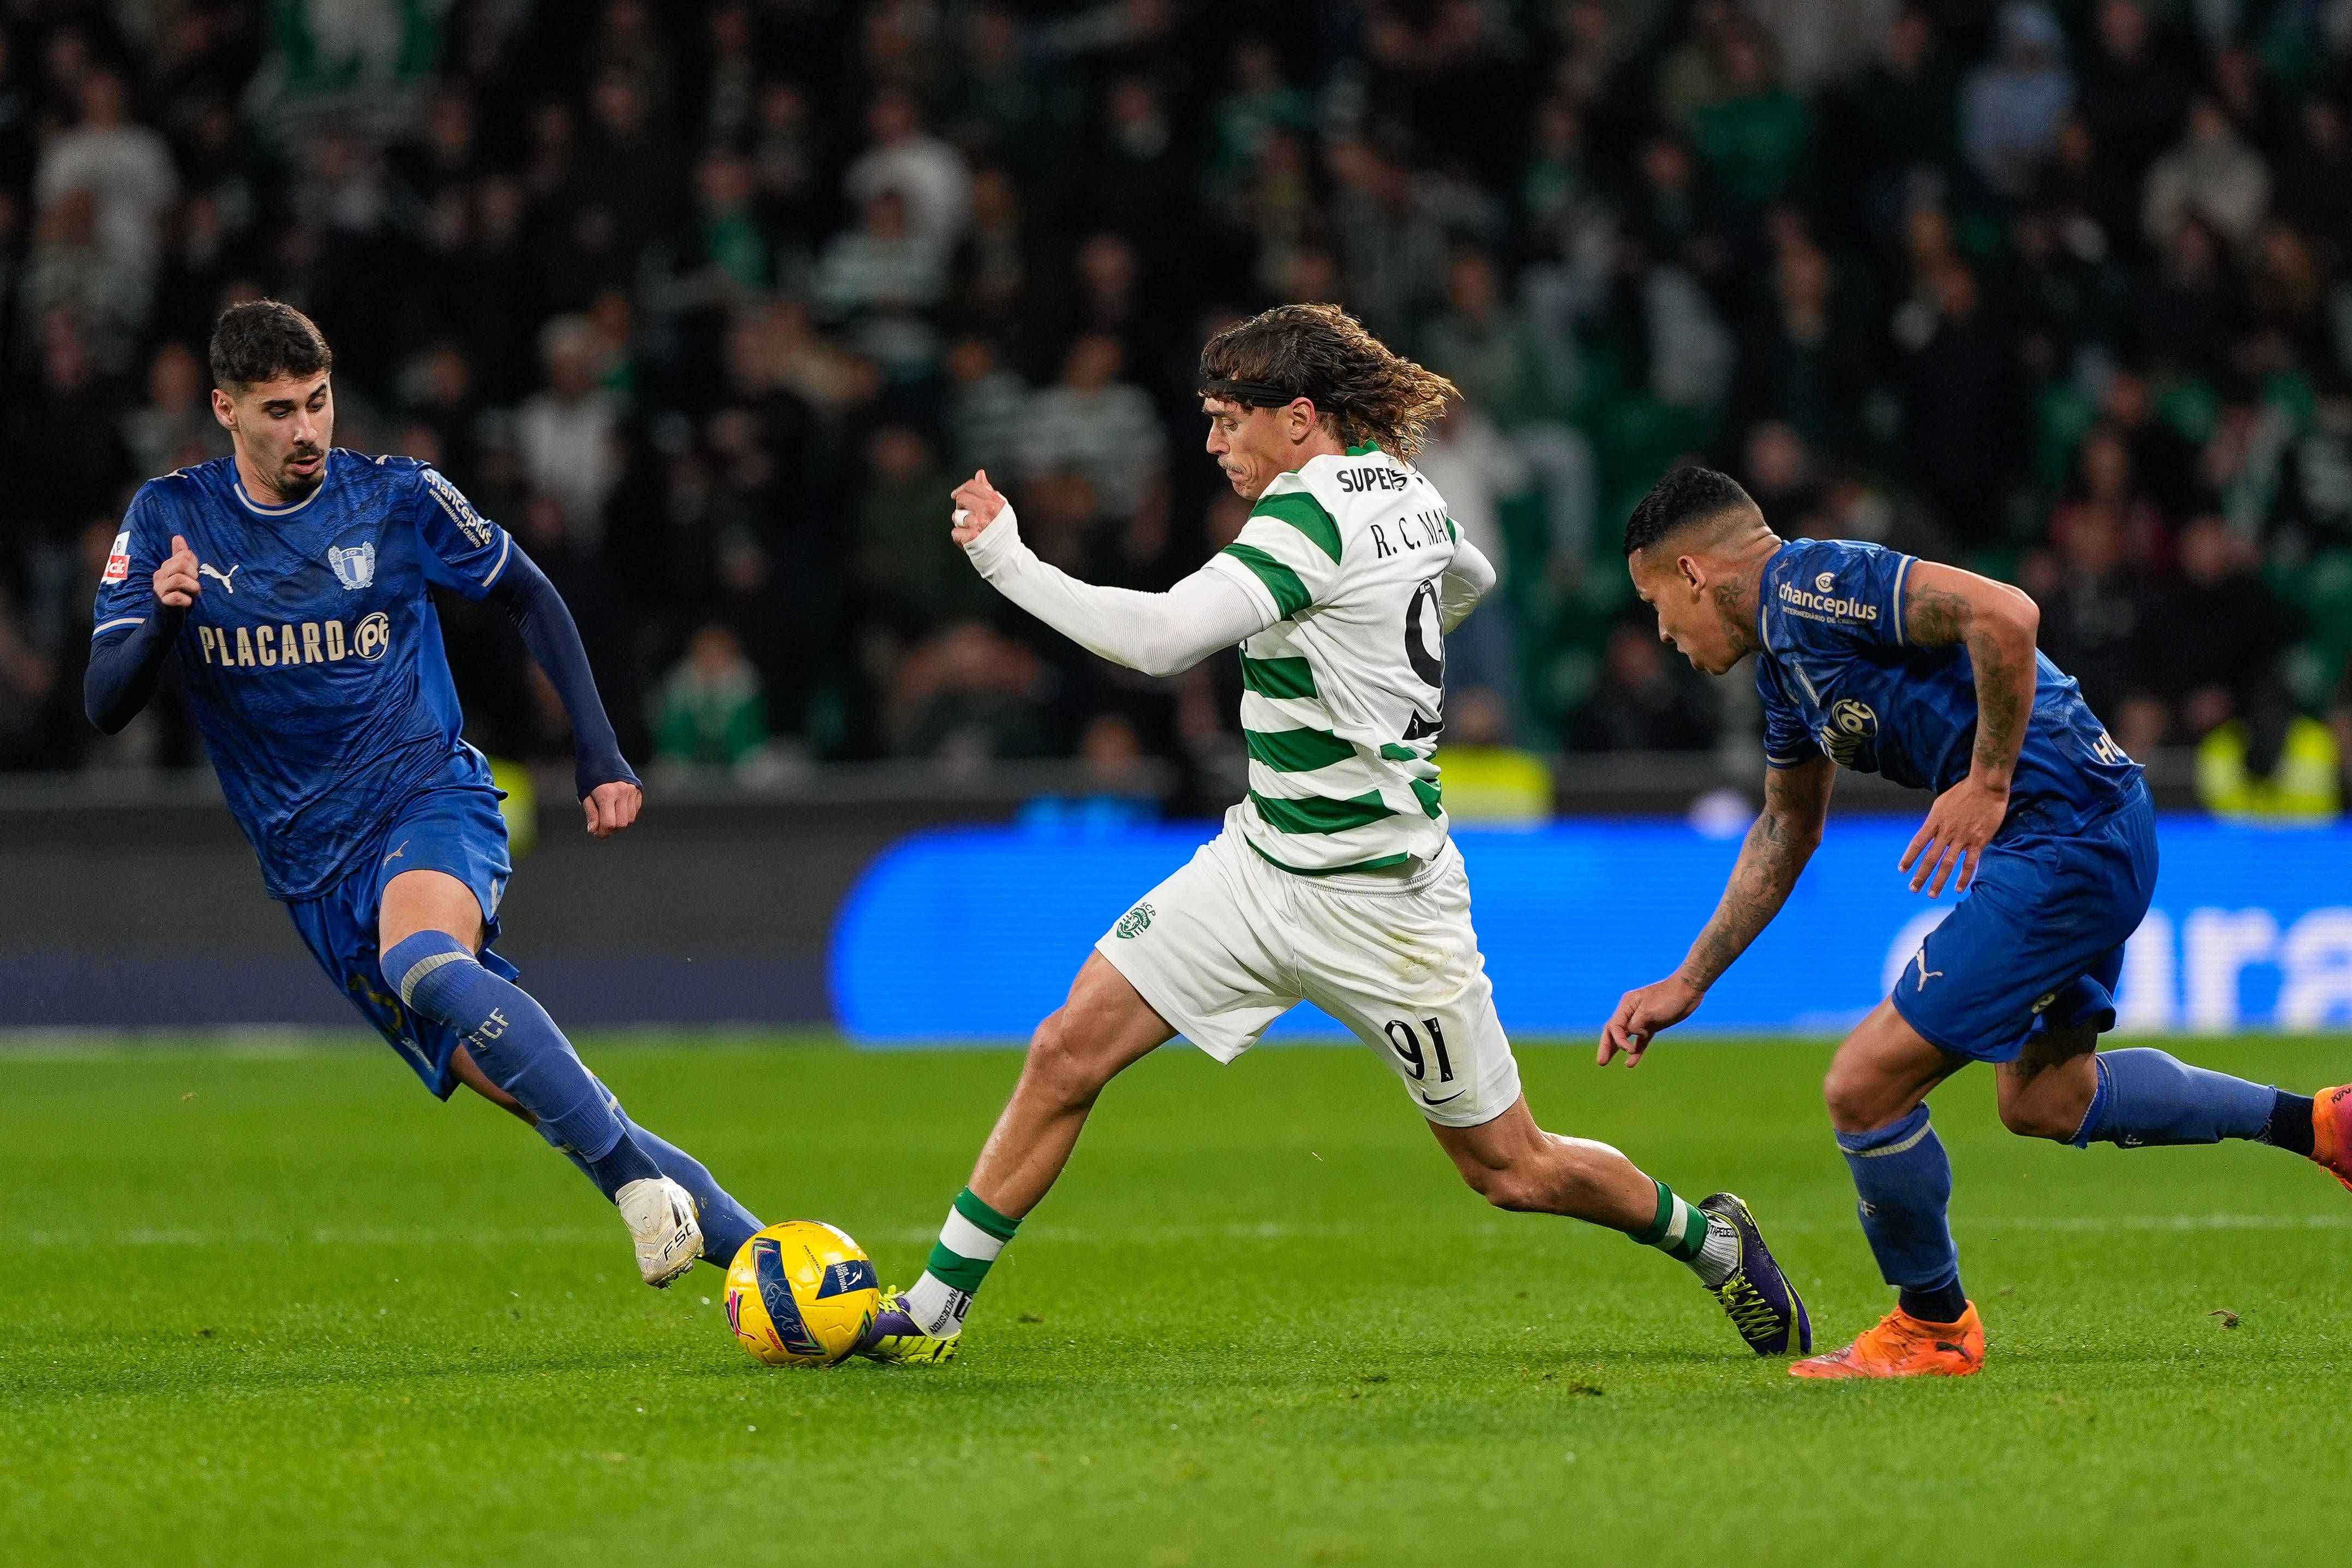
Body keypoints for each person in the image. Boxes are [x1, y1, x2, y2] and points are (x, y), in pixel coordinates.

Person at [857, 305, 1811, 1365]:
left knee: (1512, 1169)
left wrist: (1005, 559)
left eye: (1229, 420)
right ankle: (932, 1310)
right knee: (1065, 1049)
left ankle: (1709, 1239)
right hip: (1258, 865)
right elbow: (1471, 576)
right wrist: (1379, 662)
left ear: (1300, 418)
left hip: (1383, 905)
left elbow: (1162, 641)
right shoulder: (1407, 491)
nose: (1213, 443)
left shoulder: (1305, 517)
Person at [1601, 467, 2351, 1380]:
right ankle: (2321, 1125)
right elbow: (1786, 829)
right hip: (2088, 825)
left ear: (1691, 573)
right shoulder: (1785, 672)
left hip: (2062, 835)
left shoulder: (1814, 585)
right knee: (2047, 1099)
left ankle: (1934, 1326)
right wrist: (1689, 981)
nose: (1662, 635)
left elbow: (2007, 614)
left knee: (1863, 1088)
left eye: (1655, 605)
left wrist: (1989, 782)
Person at [85, 300, 763, 1291]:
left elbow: (528, 590)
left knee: (424, 960)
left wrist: (600, 750)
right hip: (311, 873)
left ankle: (632, 1189)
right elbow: (104, 702)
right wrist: (159, 621)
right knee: (545, 1097)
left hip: (424, 795)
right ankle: (789, 1274)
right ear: (225, 410)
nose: (307, 429)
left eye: (319, 402)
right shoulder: (167, 520)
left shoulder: (397, 496)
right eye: (279, 410)